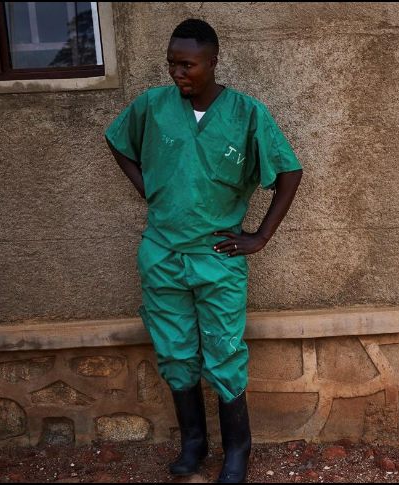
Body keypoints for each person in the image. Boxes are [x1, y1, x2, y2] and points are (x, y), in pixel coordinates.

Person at [104, 18, 303, 483]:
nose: (178, 73)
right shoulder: (153, 106)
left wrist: (260, 236)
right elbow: (117, 141)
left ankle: (237, 451)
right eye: (172, 63)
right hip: (162, 253)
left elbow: (289, 173)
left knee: (223, 350)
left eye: (188, 65)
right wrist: (149, 188)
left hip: (217, 256)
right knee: (175, 350)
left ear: (212, 62)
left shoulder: (246, 114)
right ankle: (193, 443)